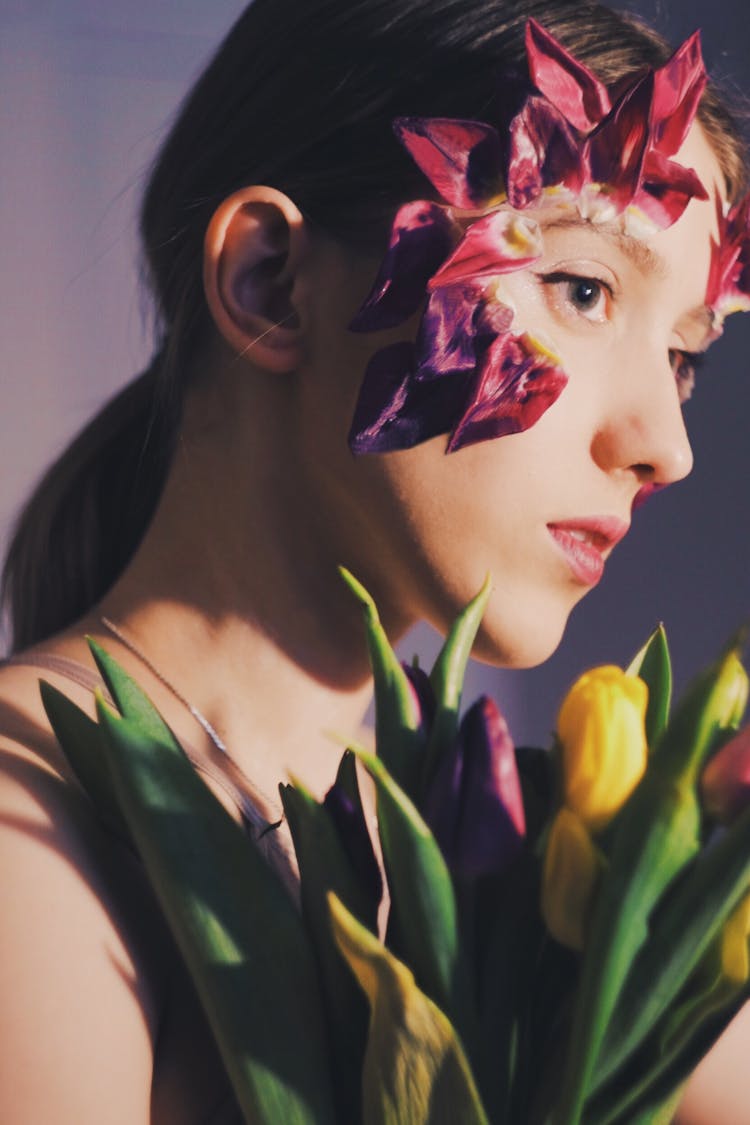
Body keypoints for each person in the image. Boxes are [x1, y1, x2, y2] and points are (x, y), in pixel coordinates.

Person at [0, 0, 747, 1121]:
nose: (665, 446)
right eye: (583, 289)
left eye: (685, 357)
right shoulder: (26, 827)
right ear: (269, 282)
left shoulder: (543, 876)